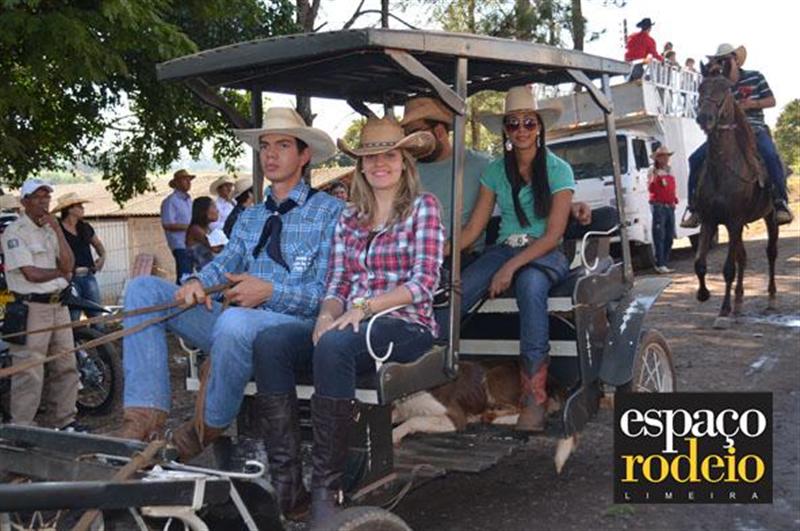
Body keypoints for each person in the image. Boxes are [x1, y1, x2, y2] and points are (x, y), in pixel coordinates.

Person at [115, 107, 343, 474]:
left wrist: (269, 292)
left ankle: (200, 431)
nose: (270, 154)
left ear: (305, 155)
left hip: (295, 328)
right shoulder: (250, 217)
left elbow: (329, 291)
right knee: (143, 290)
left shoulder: (331, 212)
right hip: (235, 324)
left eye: (283, 145)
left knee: (235, 321)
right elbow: (224, 264)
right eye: (265, 146)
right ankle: (141, 422)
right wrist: (196, 283)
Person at [295, 115, 443, 525]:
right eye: (370, 157)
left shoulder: (423, 208)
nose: (380, 164)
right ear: (360, 165)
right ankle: (285, 479)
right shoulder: (349, 217)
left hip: (406, 323)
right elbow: (337, 281)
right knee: (273, 342)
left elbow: (423, 283)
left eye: (389, 155)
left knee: (335, 345)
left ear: (404, 163)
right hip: (353, 322)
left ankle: (328, 488)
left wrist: (363, 308)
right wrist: (326, 315)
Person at [461, 86, 575, 432]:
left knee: (530, 284)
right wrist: (438, 251)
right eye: (513, 123)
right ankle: (435, 378)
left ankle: (534, 396)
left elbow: (553, 235)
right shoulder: (495, 171)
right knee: (459, 289)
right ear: (505, 130)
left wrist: (510, 267)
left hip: (546, 252)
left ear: (539, 126)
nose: (521, 130)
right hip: (503, 248)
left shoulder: (558, 169)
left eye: (529, 122)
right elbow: (474, 229)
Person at [0, 179, 82, 430]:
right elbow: (31, 274)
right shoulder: (15, 232)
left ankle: (65, 421)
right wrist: (60, 272)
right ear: (25, 202)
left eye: (46, 197)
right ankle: (23, 427)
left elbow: (69, 263)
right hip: (32, 308)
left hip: (58, 305)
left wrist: (58, 230)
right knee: (29, 370)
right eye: (37, 197)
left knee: (66, 365)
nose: (44, 202)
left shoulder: (49, 229)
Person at [681, 43, 793, 228]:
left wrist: (752, 104)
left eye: (725, 59)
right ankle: (694, 208)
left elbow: (771, 101)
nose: (721, 63)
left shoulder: (755, 77)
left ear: (735, 59)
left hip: (754, 130)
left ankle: (780, 202)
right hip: (724, 132)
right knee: (695, 159)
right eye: (719, 60)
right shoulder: (717, 83)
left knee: (771, 156)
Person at [400, 96, 492, 264]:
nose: (411, 142)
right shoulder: (405, 172)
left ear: (440, 131)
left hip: (461, 255)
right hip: (414, 254)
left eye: (416, 134)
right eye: (407, 136)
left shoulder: (482, 165)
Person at [55, 193, 107, 321]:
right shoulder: (57, 229)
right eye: (79, 206)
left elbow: (98, 245)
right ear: (70, 209)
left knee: (97, 316)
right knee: (73, 317)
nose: (83, 208)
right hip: (69, 278)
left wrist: (102, 258)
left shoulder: (85, 227)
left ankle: (98, 334)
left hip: (88, 275)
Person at [648, 146, 678, 274]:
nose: (666, 159)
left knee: (669, 236)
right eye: (663, 156)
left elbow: (672, 187)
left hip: (669, 206)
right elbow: (651, 187)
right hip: (659, 206)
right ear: (658, 158)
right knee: (660, 235)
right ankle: (660, 263)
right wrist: (655, 177)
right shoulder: (653, 171)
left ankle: (664, 262)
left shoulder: (670, 170)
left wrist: (674, 200)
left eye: (667, 156)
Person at [161, 169, 194, 283]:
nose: (188, 182)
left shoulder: (189, 200)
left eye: (189, 180)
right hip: (179, 244)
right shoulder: (171, 201)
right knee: (184, 277)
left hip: (190, 243)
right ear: (177, 182)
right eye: (185, 179)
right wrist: (189, 227)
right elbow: (167, 224)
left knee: (189, 276)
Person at [185, 196, 221, 272]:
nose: (217, 210)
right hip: (203, 274)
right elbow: (216, 248)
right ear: (204, 210)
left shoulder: (208, 228)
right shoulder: (195, 229)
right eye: (214, 207)